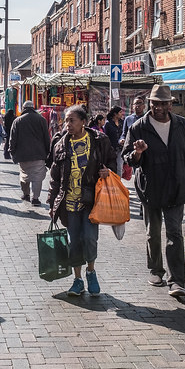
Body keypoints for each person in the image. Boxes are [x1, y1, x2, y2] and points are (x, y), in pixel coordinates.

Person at [123, 84, 185, 298]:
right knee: (153, 232)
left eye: (163, 103)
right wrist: (138, 153)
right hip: (151, 187)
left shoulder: (182, 125)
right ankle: (156, 270)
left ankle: (176, 281)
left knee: (175, 233)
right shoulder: (139, 127)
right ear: (150, 103)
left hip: (177, 186)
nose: (158, 107)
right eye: (155, 103)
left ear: (170, 104)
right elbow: (128, 158)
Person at [48, 105, 119, 297]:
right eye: (66, 120)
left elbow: (112, 161)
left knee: (89, 238)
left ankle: (91, 271)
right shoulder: (60, 144)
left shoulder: (99, 140)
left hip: (91, 200)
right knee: (74, 241)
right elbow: (55, 178)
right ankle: (77, 280)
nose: (67, 124)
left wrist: (108, 171)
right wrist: (52, 203)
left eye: (72, 120)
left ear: (83, 122)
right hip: (69, 202)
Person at [9, 100, 51, 206]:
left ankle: (26, 194)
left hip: (22, 154)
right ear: (33, 108)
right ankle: (35, 198)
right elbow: (46, 137)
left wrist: (12, 151)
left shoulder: (18, 121)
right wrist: (48, 151)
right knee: (37, 177)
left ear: (23, 108)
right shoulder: (41, 120)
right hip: (39, 153)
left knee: (24, 175)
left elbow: (12, 138)